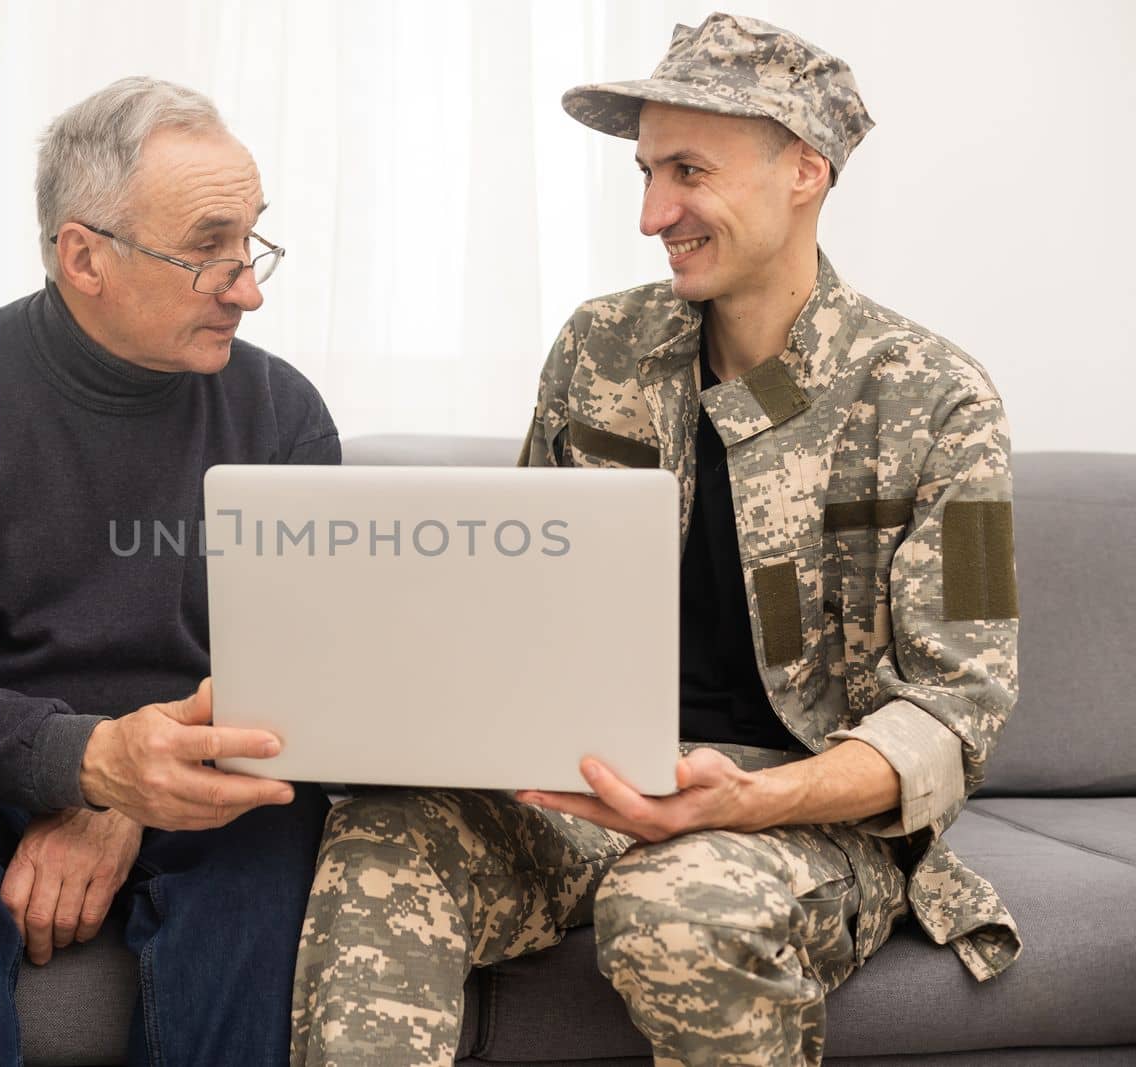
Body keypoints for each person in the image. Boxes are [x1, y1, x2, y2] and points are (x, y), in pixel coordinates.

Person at [291, 14, 1021, 1066]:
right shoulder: (601, 348)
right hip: (581, 785)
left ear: (803, 170)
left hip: (800, 816)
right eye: (644, 172)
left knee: (676, 902)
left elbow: (959, 712)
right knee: (378, 840)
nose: (650, 215)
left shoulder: (939, 398)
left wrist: (747, 799)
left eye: (687, 171)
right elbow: (514, 601)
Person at [0, 76, 340, 1066]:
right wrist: (89, 766)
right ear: (83, 254)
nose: (249, 286)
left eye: (252, 242)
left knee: (273, 822)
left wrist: (132, 799)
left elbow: (304, 679)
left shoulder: (281, 416)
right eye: (207, 249)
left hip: (193, 780)